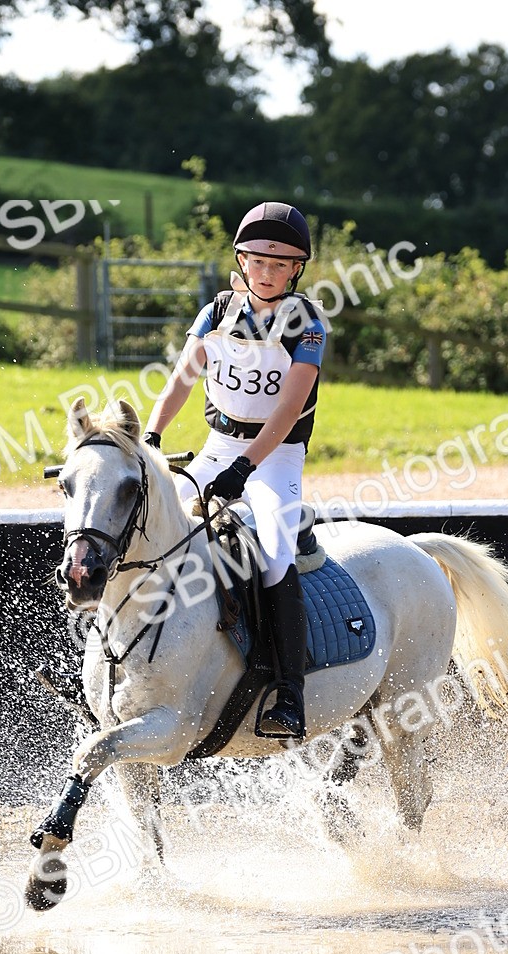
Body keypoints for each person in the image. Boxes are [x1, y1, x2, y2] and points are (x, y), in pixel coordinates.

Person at [143, 202, 327, 740]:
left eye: (280, 264)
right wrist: (152, 437)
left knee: (273, 553)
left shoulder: (307, 323)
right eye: (256, 261)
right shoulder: (216, 311)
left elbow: (289, 409)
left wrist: (245, 470)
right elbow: (181, 379)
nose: (266, 272)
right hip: (217, 445)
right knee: (148, 526)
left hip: (276, 457)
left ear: (296, 269)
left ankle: (289, 691)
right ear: (241, 261)